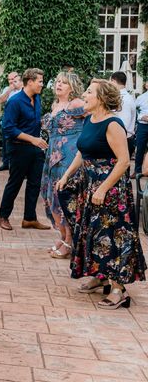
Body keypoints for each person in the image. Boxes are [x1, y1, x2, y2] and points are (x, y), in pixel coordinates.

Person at [58, 79, 146, 309]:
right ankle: (100, 276)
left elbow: (124, 161)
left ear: (101, 98)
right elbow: (83, 152)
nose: (84, 95)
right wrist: (67, 175)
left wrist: (103, 188)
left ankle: (119, 289)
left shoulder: (113, 124)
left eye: (89, 92)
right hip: (90, 185)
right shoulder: (90, 119)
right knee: (93, 233)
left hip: (111, 189)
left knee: (113, 235)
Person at [40, 71, 85, 259]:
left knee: (65, 198)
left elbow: (99, 112)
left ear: (72, 87)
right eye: (57, 81)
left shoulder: (76, 104)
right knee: (51, 197)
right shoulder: (55, 104)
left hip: (69, 155)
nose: (59, 85)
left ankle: (70, 240)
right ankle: (63, 235)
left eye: (64, 83)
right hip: (52, 155)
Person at [0, 68, 50, 231]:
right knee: (15, 183)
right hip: (19, 148)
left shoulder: (37, 98)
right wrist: (32, 139)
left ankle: (29, 218)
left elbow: (33, 122)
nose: (42, 84)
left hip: (36, 148)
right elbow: (8, 129)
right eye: (40, 81)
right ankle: (4, 216)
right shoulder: (15, 101)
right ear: (30, 82)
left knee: (35, 184)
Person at [0, 72, 22, 171]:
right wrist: (9, 90)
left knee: (18, 143)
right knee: (5, 142)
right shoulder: (7, 89)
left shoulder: (23, 90)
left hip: (19, 120)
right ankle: (5, 163)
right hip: (7, 119)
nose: (11, 81)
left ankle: (17, 166)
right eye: (9, 79)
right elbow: (0, 100)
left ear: (18, 79)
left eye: (13, 79)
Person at [110, 71, 136, 158]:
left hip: (123, 140)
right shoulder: (122, 97)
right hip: (122, 139)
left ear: (113, 81)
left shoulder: (124, 100)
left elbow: (123, 124)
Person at [135, 80, 148, 176]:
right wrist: (141, 117)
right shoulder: (140, 98)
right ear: (146, 85)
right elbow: (135, 112)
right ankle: (137, 171)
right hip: (142, 126)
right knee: (140, 148)